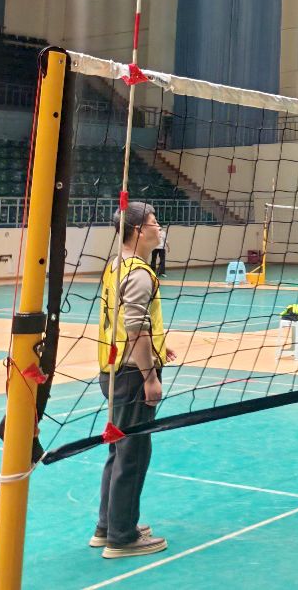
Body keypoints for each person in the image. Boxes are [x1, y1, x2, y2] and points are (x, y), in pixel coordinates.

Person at [94, 202, 172, 557]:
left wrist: (159, 347)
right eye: (155, 223)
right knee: (133, 454)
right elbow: (135, 328)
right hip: (131, 376)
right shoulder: (139, 273)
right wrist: (150, 376)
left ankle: (108, 525)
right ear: (138, 230)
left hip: (113, 371)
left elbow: (130, 323)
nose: (160, 228)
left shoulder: (116, 265)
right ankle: (122, 537)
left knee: (119, 450)